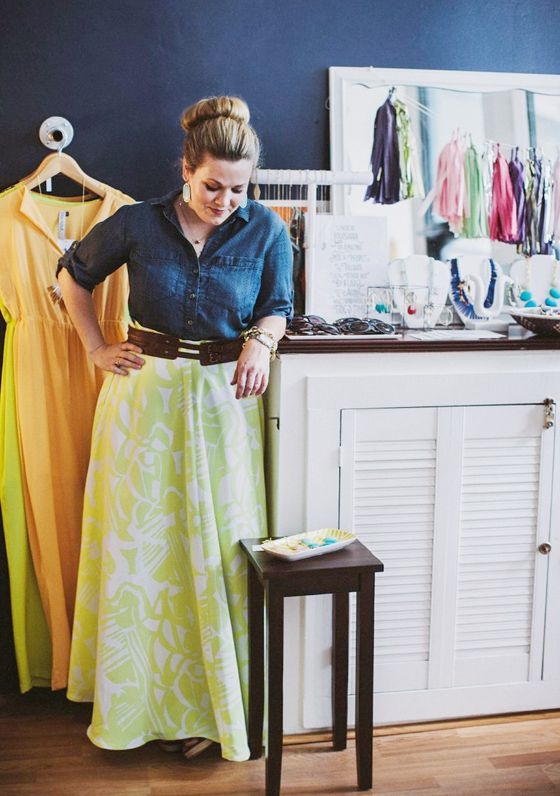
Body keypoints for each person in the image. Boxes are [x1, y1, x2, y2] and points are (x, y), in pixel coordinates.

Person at [57, 95, 293, 762]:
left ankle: (212, 707)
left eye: (239, 188)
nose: (225, 200)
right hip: (144, 405)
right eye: (212, 185)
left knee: (218, 553)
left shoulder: (266, 230)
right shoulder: (134, 222)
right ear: (185, 170)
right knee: (142, 555)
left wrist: (262, 344)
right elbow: (70, 280)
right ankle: (135, 706)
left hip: (222, 406)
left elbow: (277, 305)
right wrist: (96, 348)